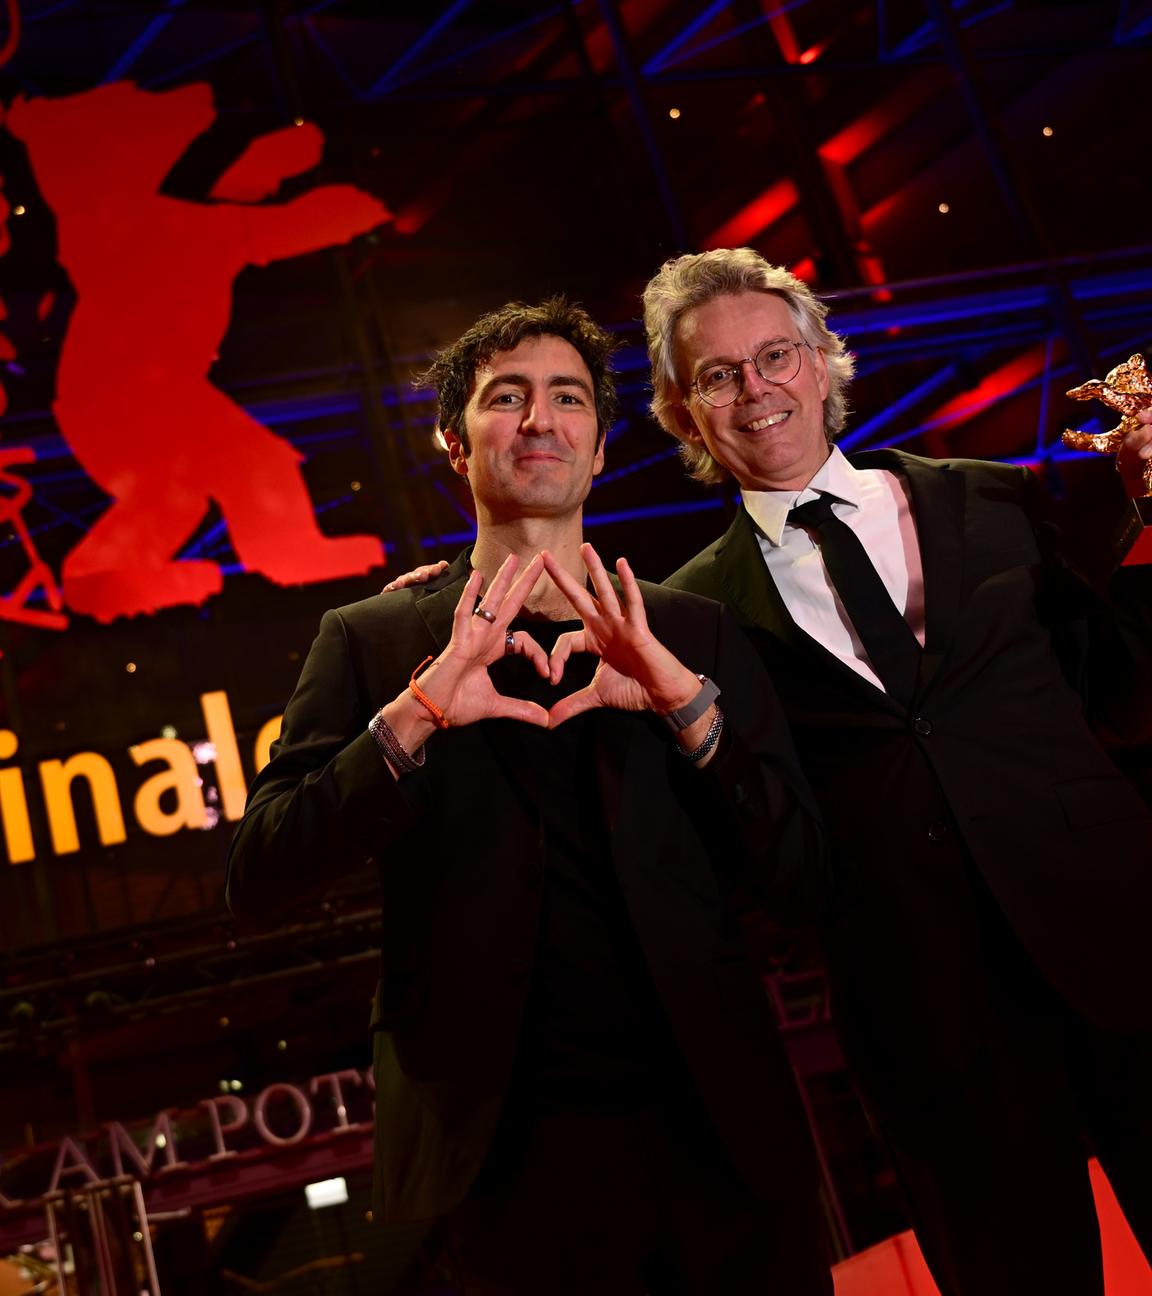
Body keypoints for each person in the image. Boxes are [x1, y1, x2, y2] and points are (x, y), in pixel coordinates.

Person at [226, 297, 832, 1295]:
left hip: (719, 1130)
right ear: (455, 448)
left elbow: (802, 877)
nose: (540, 420)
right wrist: (415, 713)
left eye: (568, 399)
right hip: (503, 1160)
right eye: (506, 399)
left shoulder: (697, 633)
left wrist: (687, 708)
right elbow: (260, 874)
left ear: (599, 449)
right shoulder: (372, 641)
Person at [643, 246, 1152, 1296]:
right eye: (717, 376)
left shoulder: (995, 501)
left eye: (775, 354)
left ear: (825, 361)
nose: (756, 390)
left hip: (1129, 948)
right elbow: (757, 852)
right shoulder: (686, 618)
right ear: (682, 413)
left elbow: (1130, 702)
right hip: (935, 1032)